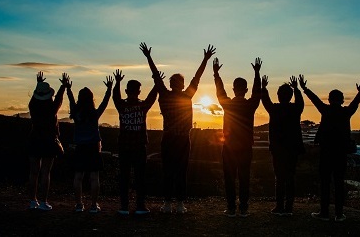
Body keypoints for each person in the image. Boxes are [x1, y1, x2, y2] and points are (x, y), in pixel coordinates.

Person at [140, 42, 216, 213]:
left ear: (170, 83)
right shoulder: (187, 95)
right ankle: (180, 204)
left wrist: (149, 57)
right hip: (182, 138)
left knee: (167, 170)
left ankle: (167, 203)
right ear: (182, 84)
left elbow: (156, 76)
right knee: (182, 170)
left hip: (168, 137)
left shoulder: (165, 95)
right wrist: (205, 59)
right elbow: (197, 77)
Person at [299, 75, 360, 222]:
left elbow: (315, 100)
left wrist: (305, 88)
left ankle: (324, 212)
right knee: (339, 182)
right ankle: (339, 213)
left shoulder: (326, 110)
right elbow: (355, 104)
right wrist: (359, 92)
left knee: (325, 182)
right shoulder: (345, 112)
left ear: (329, 99)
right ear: (342, 100)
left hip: (326, 152)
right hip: (341, 152)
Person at [213, 57, 262, 217]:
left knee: (229, 178)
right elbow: (257, 93)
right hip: (246, 146)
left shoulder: (228, 104)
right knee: (244, 177)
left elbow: (220, 91)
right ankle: (243, 208)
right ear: (245, 90)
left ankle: (231, 208)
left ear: (233, 89)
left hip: (229, 146)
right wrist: (257, 73)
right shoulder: (250, 105)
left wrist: (216, 74)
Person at [112, 69, 163, 215]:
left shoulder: (121, 106)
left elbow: (115, 96)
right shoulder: (142, 106)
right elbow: (152, 97)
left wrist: (117, 83)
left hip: (124, 146)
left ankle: (123, 206)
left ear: (127, 91)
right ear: (139, 91)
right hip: (139, 146)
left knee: (124, 176)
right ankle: (140, 205)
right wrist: (156, 84)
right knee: (140, 177)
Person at [66, 75, 113, 213]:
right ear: (91, 99)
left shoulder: (76, 113)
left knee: (78, 176)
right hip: (93, 147)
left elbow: (71, 100)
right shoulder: (94, 114)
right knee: (94, 177)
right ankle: (93, 205)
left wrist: (68, 88)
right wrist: (109, 89)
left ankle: (79, 204)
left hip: (80, 147)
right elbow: (105, 102)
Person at [261, 75, 305, 216]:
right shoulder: (295, 109)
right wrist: (297, 89)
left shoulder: (274, 109)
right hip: (292, 148)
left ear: (278, 96)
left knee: (279, 178)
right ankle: (289, 207)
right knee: (290, 177)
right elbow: (300, 102)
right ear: (290, 96)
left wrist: (264, 87)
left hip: (278, 149)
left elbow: (265, 100)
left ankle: (279, 206)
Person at [27, 71, 70, 210]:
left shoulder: (32, 106)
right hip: (49, 140)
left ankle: (32, 200)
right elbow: (59, 99)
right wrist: (63, 86)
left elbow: (37, 98)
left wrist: (38, 83)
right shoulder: (52, 108)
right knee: (46, 172)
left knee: (34, 172)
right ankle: (43, 201)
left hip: (35, 139)